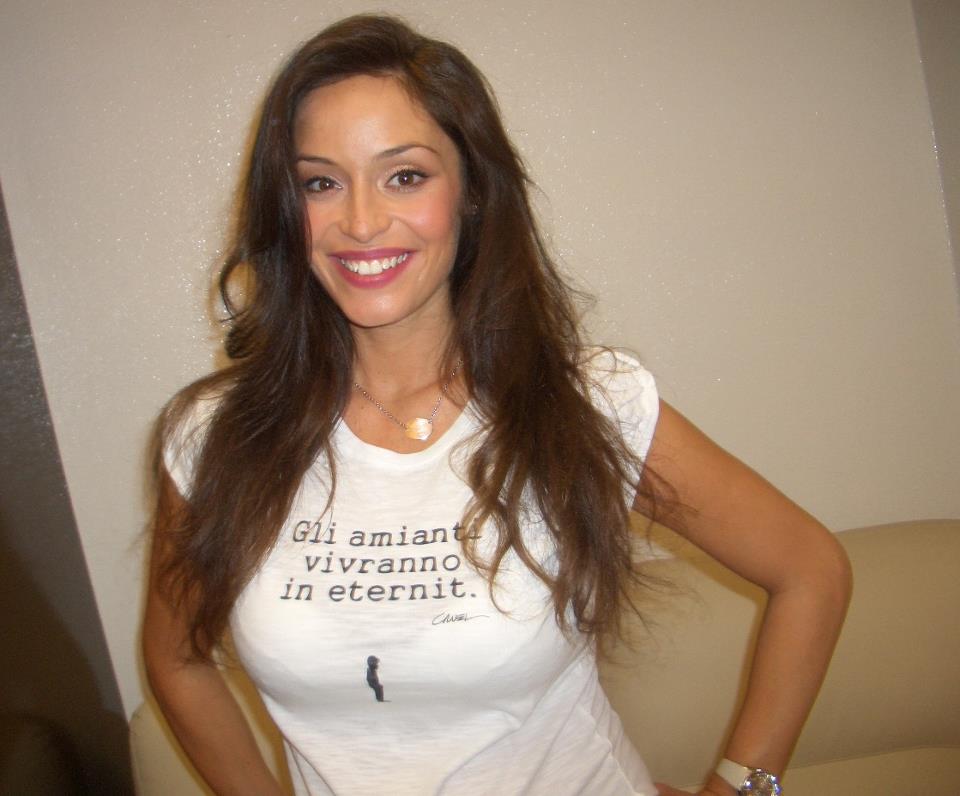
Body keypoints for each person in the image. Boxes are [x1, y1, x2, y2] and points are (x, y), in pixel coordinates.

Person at [142, 14, 852, 796]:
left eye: (405, 176)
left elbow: (810, 569)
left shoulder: (585, 405)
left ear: (473, 191)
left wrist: (742, 787)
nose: (361, 222)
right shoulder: (211, 437)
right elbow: (177, 660)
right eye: (321, 182)